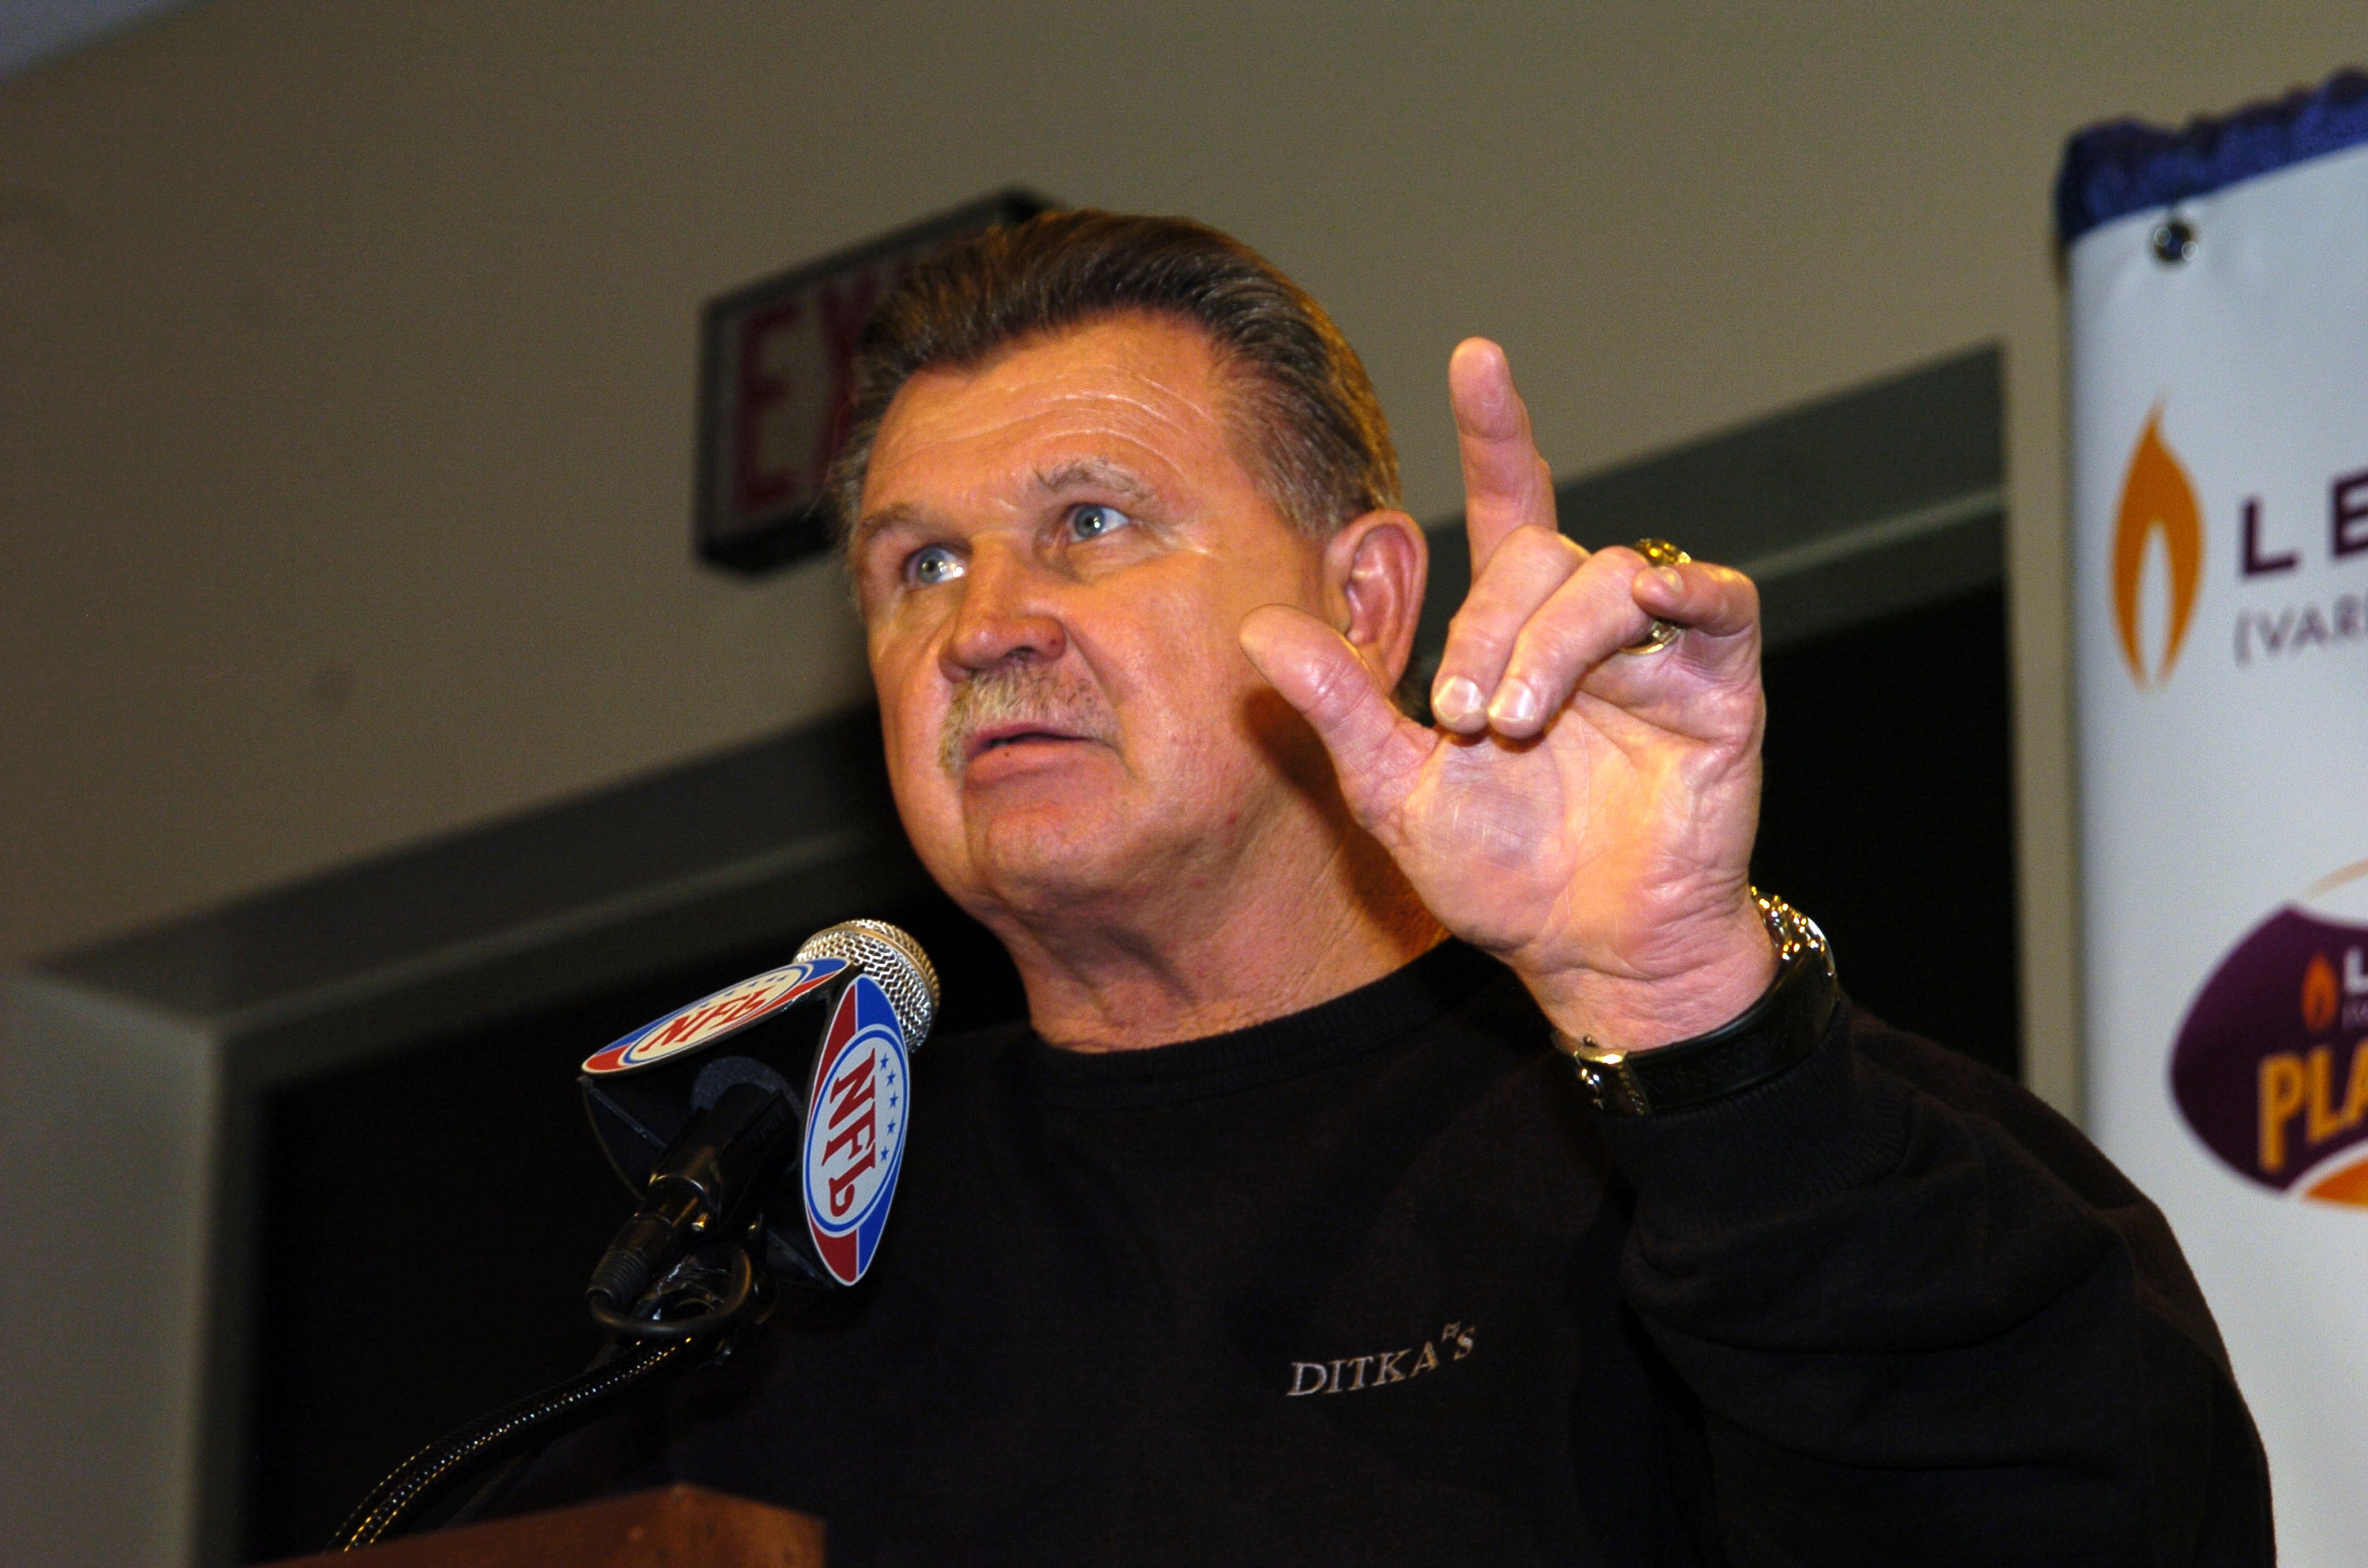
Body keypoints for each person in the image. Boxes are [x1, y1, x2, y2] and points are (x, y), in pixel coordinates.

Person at [502, 211, 2271, 1564]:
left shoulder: (1710, 1135)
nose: (985, 627)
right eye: (922, 563)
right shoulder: (780, 1244)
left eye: (1094, 523)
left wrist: (1687, 1020)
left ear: (1363, 601)